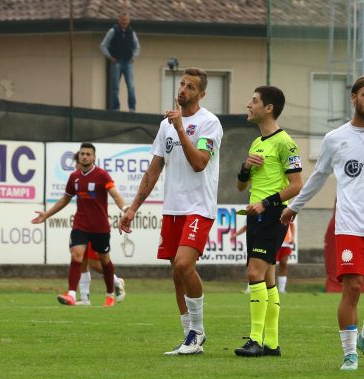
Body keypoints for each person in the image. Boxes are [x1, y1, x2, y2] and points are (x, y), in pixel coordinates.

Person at [281, 73, 364, 371]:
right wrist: (295, 207)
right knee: (353, 287)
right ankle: (349, 354)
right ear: (353, 98)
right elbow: (318, 177)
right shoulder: (335, 139)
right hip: (350, 226)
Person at [120, 67, 223, 355]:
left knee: (183, 264)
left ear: (201, 94)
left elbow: (199, 162)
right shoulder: (165, 125)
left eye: (190, 87)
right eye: (182, 84)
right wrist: (133, 208)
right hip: (173, 209)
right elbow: (153, 171)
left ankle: (198, 332)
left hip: (199, 208)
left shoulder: (209, 123)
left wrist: (180, 128)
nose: (183, 90)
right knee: (176, 274)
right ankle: (188, 337)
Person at [234, 86, 302, 358]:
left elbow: (296, 185)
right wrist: (246, 167)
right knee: (268, 276)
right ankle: (272, 342)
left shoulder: (286, 142)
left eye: (254, 101)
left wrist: (266, 203)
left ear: (269, 108)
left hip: (272, 214)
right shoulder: (256, 143)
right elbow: (241, 186)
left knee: (254, 273)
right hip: (256, 215)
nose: (248, 105)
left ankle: (255, 340)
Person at [32, 142, 128, 307]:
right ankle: (71, 294)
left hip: (100, 226)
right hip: (81, 224)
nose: (85, 156)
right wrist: (46, 214)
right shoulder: (74, 177)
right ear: (79, 156)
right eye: (82, 153)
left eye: (88, 154)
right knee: (76, 255)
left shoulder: (102, 175)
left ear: (94, 157)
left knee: (104, 260)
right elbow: (65, 199)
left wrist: (126, 208)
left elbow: (115, 194)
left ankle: (110, 293)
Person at [100, 13, 140, 112]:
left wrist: (134, 56)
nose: (124, 23)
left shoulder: (131, 32)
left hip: (128, 62)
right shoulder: (113, 31)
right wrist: (109, 57)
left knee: (130, 86)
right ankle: (115, 108)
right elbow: (103, 45)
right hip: (116, 62)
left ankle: (132, 108)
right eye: (123, 20)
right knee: (115, 87)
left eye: (126, 21)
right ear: (119, 21)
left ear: (129, 21)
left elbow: (137, 46)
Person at [276, 222, 295, 293]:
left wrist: (292, 237)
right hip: (274, 242)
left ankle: (281, 290)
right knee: (269, 265)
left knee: (283, 264)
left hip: (286, 243)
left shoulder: (287, 212)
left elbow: (292, 225)